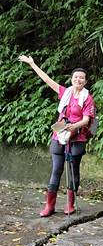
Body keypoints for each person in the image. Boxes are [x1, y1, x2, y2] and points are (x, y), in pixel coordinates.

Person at [18, 55, 96, 217]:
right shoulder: (65, 92)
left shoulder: (87, 98)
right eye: (76, 77)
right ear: (71, 79)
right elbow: (47, 79)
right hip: (60, 133)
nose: (78, 79)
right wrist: (32, 63)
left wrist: (74, 126)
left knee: (73, 170)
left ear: (86, 81)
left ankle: (70, 204)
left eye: (82, 78)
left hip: (78, 136)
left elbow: (86, 119)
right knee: (56, 170)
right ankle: (49, 205)